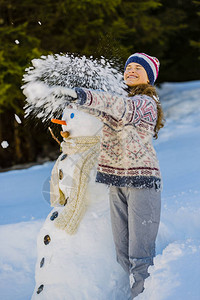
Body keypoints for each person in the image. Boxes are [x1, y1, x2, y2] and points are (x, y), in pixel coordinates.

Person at [63, 52, 164, 299]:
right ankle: (136, 293)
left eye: (138, 68)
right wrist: (72, 103)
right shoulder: (120, 104)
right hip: (116, 183)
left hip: (143, 184)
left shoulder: (144, 103)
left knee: (140, 255)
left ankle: (144, 295)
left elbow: (120, 107)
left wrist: (85, 95)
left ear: (149, 77)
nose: (131, 70)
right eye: (128, 66)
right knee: (122, 252)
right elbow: (101, 112)